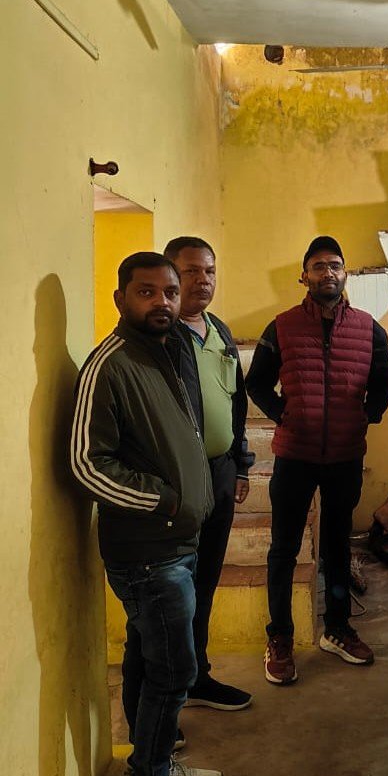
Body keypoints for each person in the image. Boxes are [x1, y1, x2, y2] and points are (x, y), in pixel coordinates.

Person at [70, 252, 223, 776]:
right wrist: (164, 502)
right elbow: (87, 464)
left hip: (178, 541)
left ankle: (152, 767)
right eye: (146, 292)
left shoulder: (169, 348)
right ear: (121, 299)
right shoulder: (108, 365)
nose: (162, 302)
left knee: (145, 660)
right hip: (146, 550)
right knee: (174, 668)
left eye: (169, 292)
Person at [246, 236, 388, 684]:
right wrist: (283, 415)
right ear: (304, 276)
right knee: (284, 549)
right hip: (295, 456)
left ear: (344, 274)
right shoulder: (282, 327)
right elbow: (256, 383)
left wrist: (365, 416)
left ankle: (337, 628)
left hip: (345, 457)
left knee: (336, 545)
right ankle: (280, 637)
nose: (327, 272)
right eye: (318, 266)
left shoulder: (369, 329)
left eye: (334, 265)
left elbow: (384, 383)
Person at [165, 236, 255, 711]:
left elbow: (235, 402)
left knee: (205, 581)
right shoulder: (160, 336)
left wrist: (240, 465)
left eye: (210, 271)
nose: (203, 280)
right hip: (178, 482)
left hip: (220, 473)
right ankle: (167, 695)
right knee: (172, 590)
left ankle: (197, 676)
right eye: (192, 271)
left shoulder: (218, 329)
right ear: (171, 276)